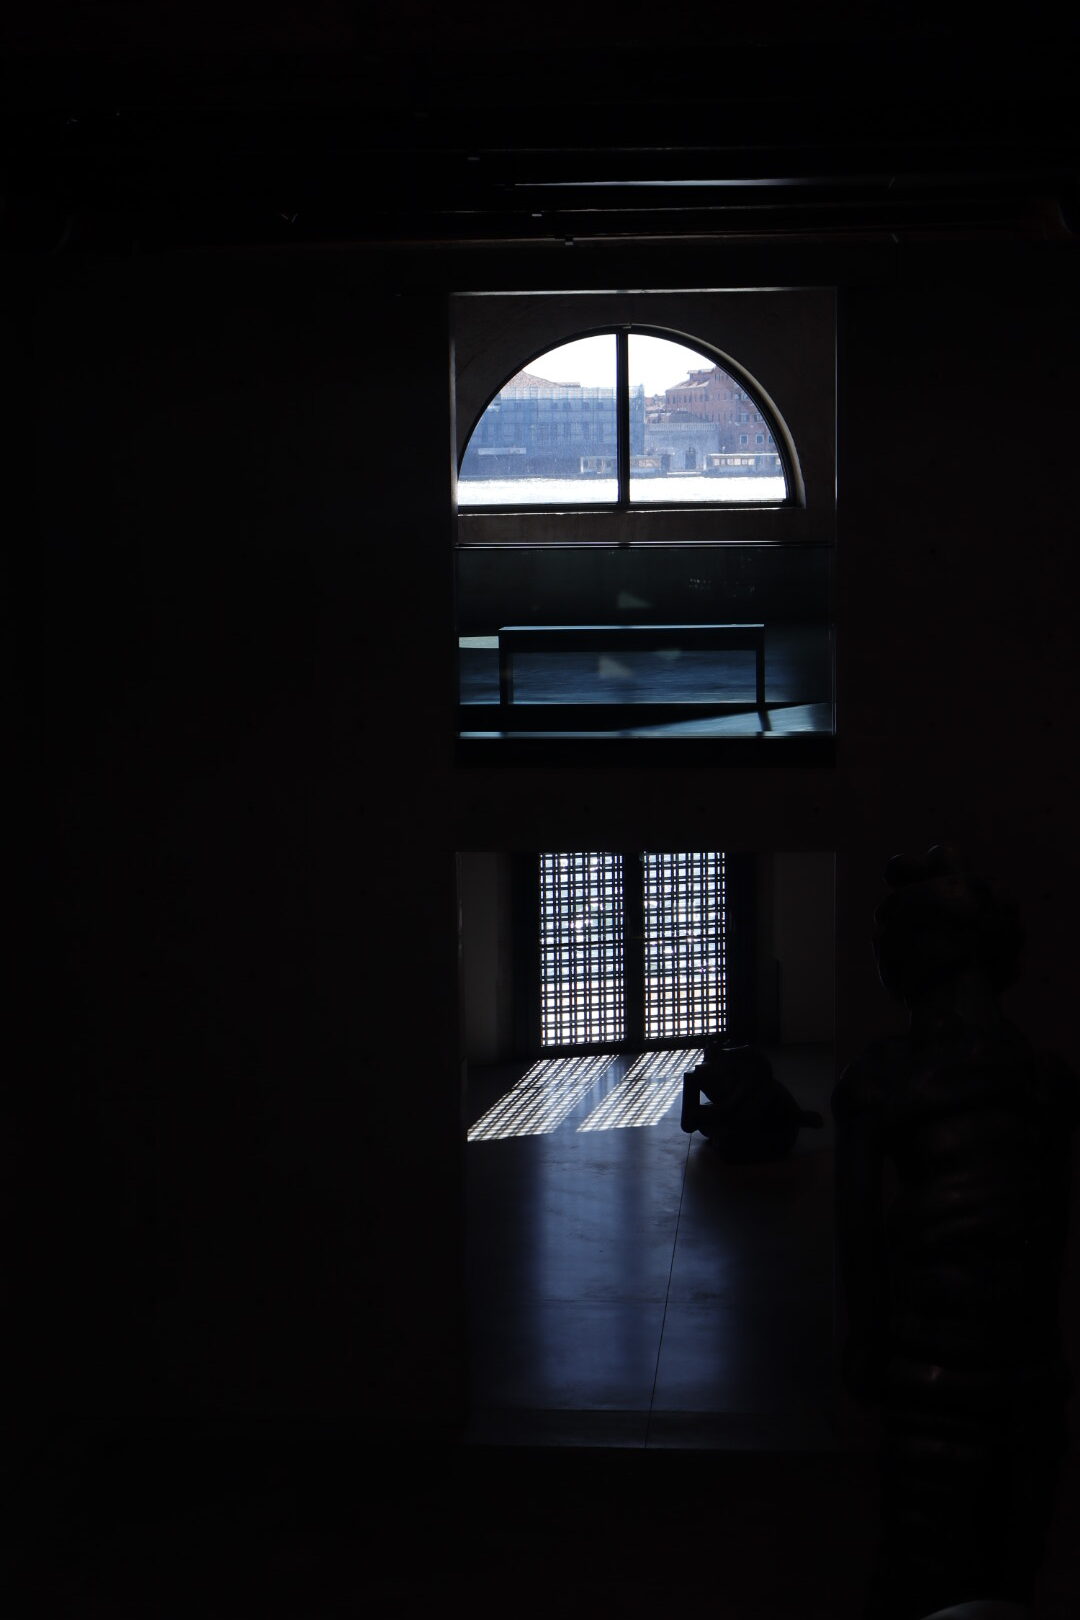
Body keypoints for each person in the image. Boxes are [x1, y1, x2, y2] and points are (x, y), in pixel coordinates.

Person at [832, 846, 1077, 1620]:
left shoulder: (883, 1079)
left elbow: (858, 1233)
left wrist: (868, 1344)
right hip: (1026, 1369)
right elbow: (1052, 1236)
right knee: (1007, 1569)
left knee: (922, 1567)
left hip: (933, 1369)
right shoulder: (1049, 1080)